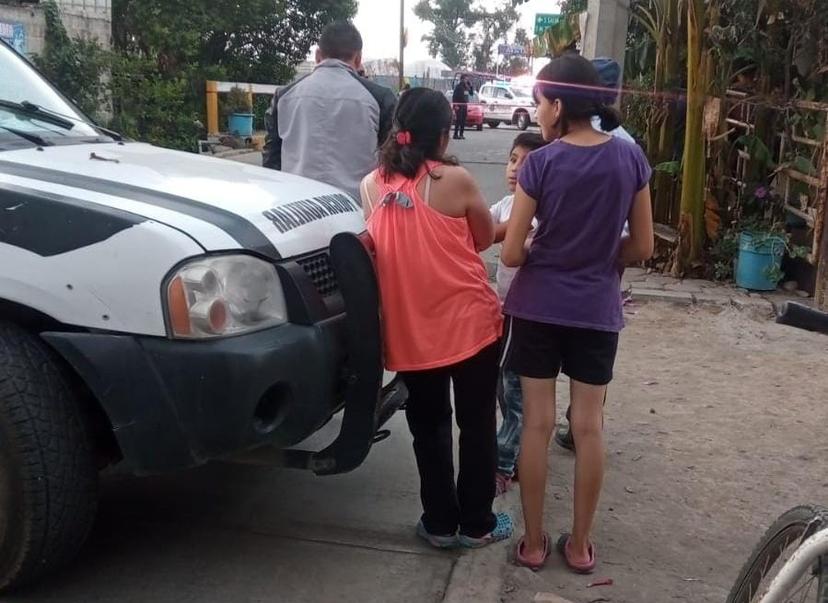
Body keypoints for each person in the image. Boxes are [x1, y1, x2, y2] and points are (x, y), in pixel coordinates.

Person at [501, 54, 653, 573]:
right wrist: (603, 256)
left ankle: (535, 543)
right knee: (588, 426)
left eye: (539, 102)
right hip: (596, 308)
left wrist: (550, 248)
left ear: (558, 104)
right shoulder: (630, 159)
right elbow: (644, 246)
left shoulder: (540, 163)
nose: (536, 112)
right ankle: (582, 546)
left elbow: (511, 253)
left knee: (537, 425)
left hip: (538, 307)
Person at [360, 88, 512, 550]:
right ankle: (478, 524)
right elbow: (483, 239)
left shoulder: (370, 185)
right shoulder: (456, 180)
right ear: (445, 132)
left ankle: (440, 524)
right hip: (471, 326)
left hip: (410, 334)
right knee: (478, 423)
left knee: (428, 428)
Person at [554, 56, 637, 453]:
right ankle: (583, 422)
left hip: (550, 275)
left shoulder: (554, 146)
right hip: (607, 264)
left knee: (536, 391)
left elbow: (517, 244)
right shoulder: (628, 146)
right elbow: (642, 240)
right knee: (592, 356)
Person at [263, 22, 396, 199]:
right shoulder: (380, 98)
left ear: (318, 55)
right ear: (358, 59)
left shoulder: (284, 96)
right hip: (358, 212)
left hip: (296, 209)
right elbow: (393, 162)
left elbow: (271, 161)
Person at [490, 132, 547, 496]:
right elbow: (481, 233)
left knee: (515, 392)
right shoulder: (506, 205)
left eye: (526, 163)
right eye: (513, 159)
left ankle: (502, 464)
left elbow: (519, 246)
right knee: (504, 387)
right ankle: (524, 453)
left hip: (528, 313)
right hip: (502, 310)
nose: (515, 168)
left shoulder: (545, 210)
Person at [452, 75, 472, 140]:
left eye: (467, 79)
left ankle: (461, 134)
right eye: (466, 79)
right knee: (458, 120)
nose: (467, 80)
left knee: (463, 120)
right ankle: (455, 134)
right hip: (459, 105)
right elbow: (454, 97)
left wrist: (470, 85)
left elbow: (471, 93)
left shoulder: (466, 87)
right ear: (462, 79)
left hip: (464, 105)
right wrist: (455, 106)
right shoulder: (458, 87)